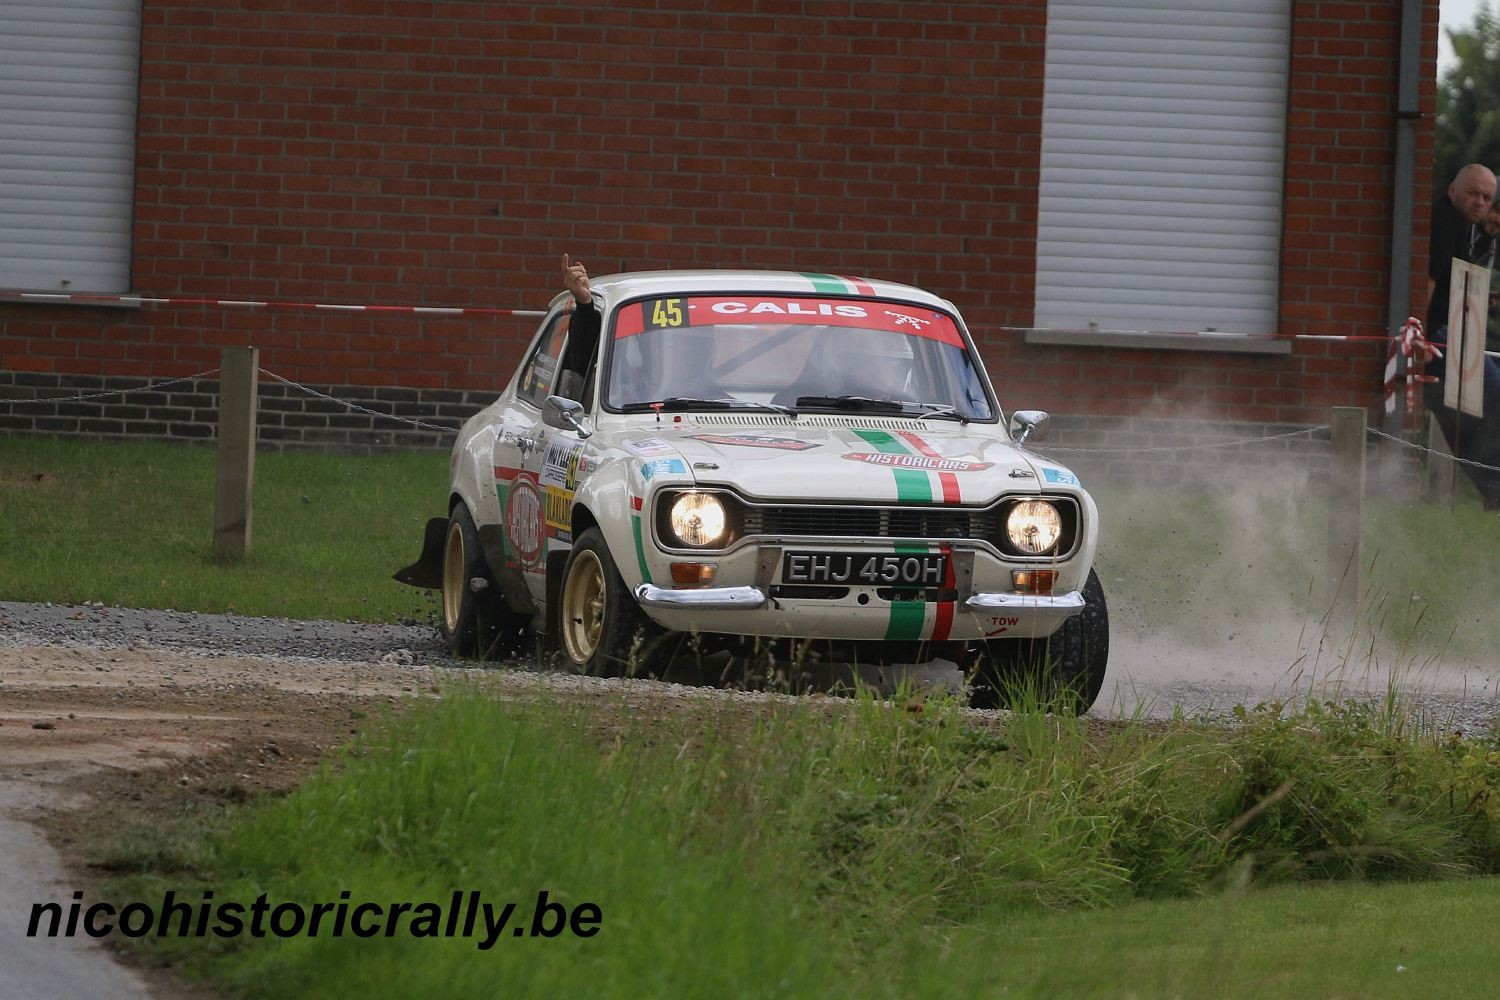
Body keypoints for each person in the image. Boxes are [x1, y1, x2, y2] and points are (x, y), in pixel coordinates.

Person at [1424, 165, 1500, 509]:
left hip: (1451, 334)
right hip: (1440, 337)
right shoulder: (1444, 221)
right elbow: (1428, 282)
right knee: (1493, 396)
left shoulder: (1459, 226)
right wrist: (1420, 336)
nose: (1480, 202)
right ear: (1453, 190)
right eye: (1473, 194)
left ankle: (1492, 491)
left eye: (1487, 197)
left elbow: (1451, 287)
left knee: (1461, 421)